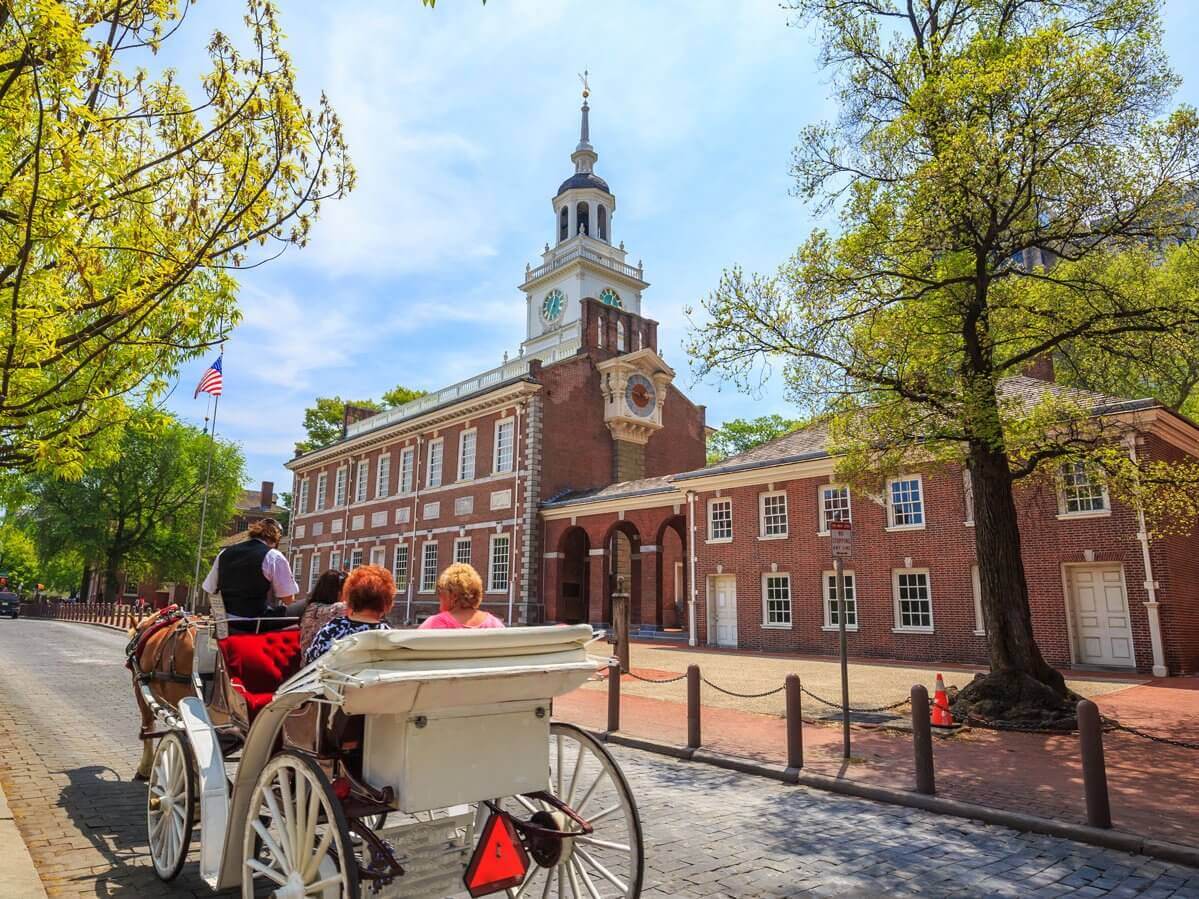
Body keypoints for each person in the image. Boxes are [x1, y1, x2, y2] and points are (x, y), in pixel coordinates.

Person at [201, 518, 304, 632]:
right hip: (255, 623)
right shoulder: (273, 556)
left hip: (227, 622)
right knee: (304, 606)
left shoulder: (224, 553)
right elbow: (288, 598)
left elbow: (210, 589)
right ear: (276, 539)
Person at [305, 565, 394, 664]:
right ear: (387, 604)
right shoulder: (392, 638)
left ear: (349, 598)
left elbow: (311, 665)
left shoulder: (330, 630)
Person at [418, 563, 505, 630]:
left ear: (454, 596)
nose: (439, 598)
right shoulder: (495, 624)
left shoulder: (434, 624)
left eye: (440, 593)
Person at [299, 569, 347, 655]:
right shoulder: (338, 609)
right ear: (338, 592)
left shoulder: (311, 607)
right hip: (323, 661)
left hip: (307, 660)